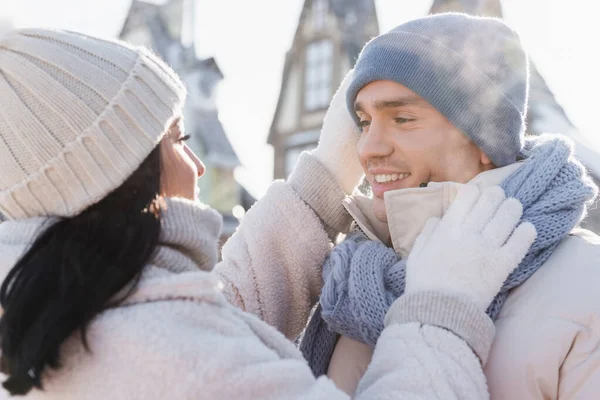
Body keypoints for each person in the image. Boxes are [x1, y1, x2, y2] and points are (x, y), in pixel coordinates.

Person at [0, 28, 536, 399]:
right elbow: (199, 350)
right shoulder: (176, 364)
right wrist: (440, 308)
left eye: (402, 118)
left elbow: (217, 312)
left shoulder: (60, 309)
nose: (197, 165)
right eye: (177, 139)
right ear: (119, 170)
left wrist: (318, 188)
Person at [299, 12, 600, 399]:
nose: (368, 148)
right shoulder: (349, 284)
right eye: (364, 122)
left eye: (403, 118)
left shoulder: (587, 282)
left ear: (483, 139)